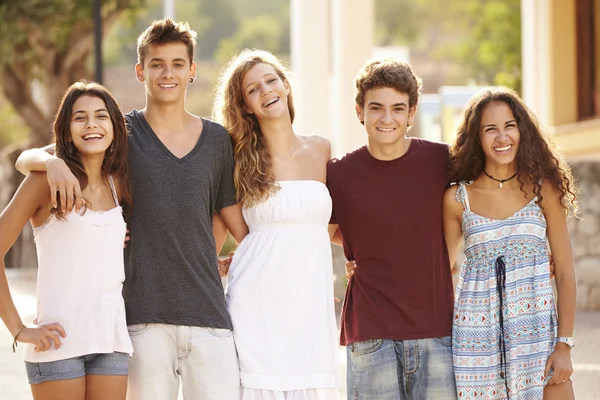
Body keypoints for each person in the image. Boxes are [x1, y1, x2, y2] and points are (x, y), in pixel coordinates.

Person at [15, 19, 247, 400]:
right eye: (156, 63)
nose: (167, 73)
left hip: (208, 316)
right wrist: (49, 163)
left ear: (192, 70)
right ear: (141, 71)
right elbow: (34, 156)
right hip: (139, 319)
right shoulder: (118, 134)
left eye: (177, 63)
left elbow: (226, 214)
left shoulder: (217, 140)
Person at [213, 49, 339, 399]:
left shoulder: (322, 150)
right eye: (253, 89)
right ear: (245, 106)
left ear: (285, 86)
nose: (265, 90)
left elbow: (330, 227)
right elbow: (213, 230)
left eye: (271, 80)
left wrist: (366, 261)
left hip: (310, 308)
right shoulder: (237, 160)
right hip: (256, 303)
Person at [328, 58, 457, 399]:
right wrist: (360, 249)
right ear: (360, 111)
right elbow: (327, 231)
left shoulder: (442, 162)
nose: (387, 118)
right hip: (370, 333)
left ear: (412, 112)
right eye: (377, 108)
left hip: (435, 329)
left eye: (398, 108)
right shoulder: (339, 174)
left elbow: (481, 206)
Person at [1, 81, 132, 399]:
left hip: (110, 342)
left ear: (114, 126)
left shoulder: (119, 184)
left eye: (101, 116)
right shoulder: (43, 181)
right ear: (66, 129)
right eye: (80, 117)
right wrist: (18, 329)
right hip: (57, 344)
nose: (92, 125)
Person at [443, 87, 576, 400]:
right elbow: (440, 269)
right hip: (476, 346)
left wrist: (564, 345)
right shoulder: (456, 199)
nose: (502, 138)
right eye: (490, 129)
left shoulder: (545, 190)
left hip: (539, 339)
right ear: (476, 137)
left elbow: (567, 273)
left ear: (522, 130)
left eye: (509, 126)